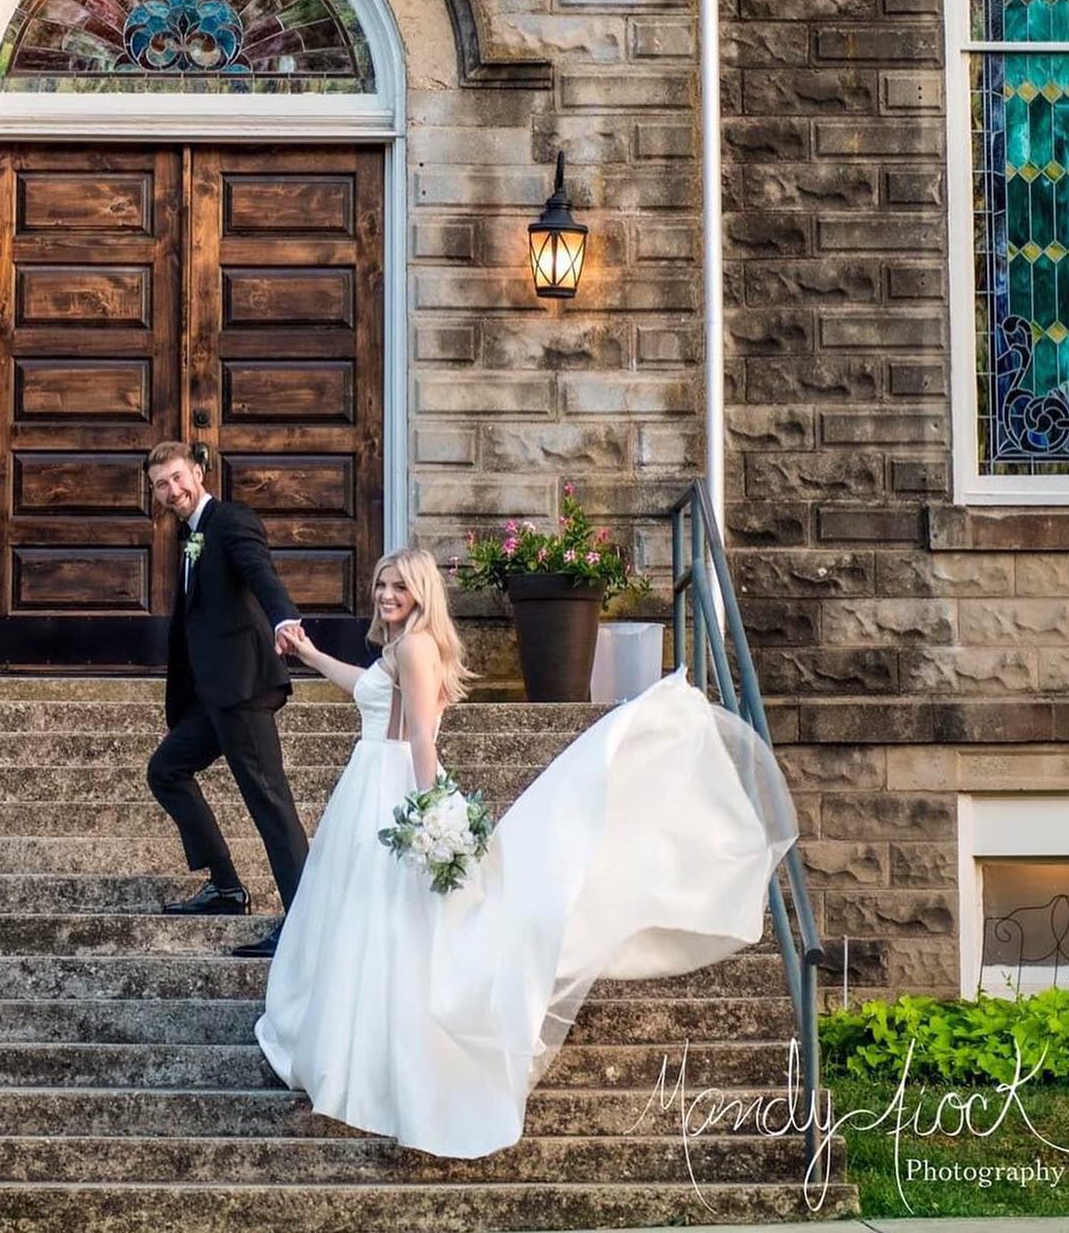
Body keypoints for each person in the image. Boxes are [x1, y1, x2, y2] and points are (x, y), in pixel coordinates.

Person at [254, 546, 800, 1158]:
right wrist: (309, 654)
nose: (386, 596)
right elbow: (371, 694)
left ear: (422, 593)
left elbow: (420, 740)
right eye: (382, 585)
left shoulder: (414, 647)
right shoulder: (402, 646)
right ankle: (366, 1047)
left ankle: (378, 1057)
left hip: (391, 786)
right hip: (372, 782)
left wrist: (432, 813)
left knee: (386, 925)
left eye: (399, 588)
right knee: (377, 926)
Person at [144, 440, 312, 961]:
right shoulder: (188, 535)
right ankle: (226, 887)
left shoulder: (231, 521)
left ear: (197, 473)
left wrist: (284, 617)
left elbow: (261, 574)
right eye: (161, 486)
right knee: (166, 769)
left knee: (270, 803)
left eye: (177, 478)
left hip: (243, 690)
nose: (172, 491)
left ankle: (305, 923)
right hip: (213, 697)